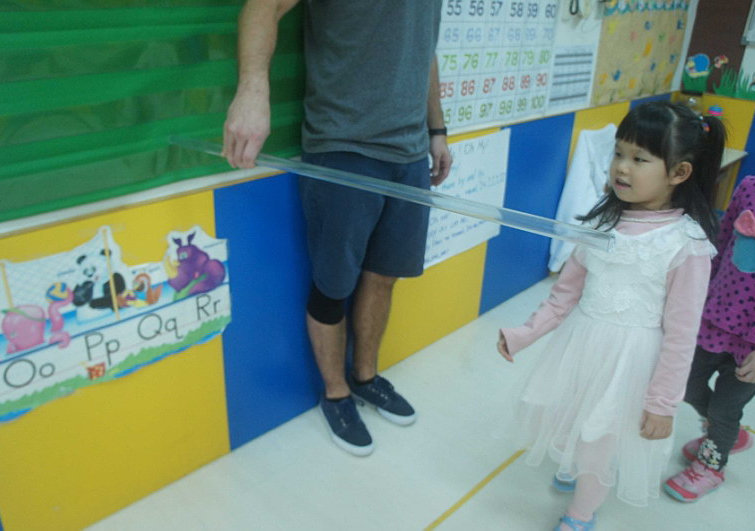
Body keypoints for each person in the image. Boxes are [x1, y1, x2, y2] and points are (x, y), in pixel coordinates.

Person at [222, 0, 452, 456]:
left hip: (409, 153)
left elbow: (422, 49)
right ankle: (336, 394)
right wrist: (252, 90)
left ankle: (365, 377)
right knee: (333, 286)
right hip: (343, 145)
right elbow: (262, 7)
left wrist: (437, 129)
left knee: (384, 275)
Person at [496, 101, 726, 531]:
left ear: (679, 173)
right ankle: (574, 466)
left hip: (630, 362)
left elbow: (681, 335)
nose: (621, 167)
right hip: (581, 345)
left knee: (600, 441)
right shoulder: (603, 222)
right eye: (619, 153)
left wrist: (662, 404)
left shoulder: (686, 245)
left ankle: (580, 515)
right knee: (570, 414)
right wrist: (525, 333)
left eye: (639, 159)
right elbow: (564, 294)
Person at [664, 174, 755, 502]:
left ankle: (712, 465)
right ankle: (725, 434)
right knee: (687, 384)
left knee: (725, 409)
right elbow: (720, 246)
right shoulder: (751, 186)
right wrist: (697, 297)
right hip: (714, 317)